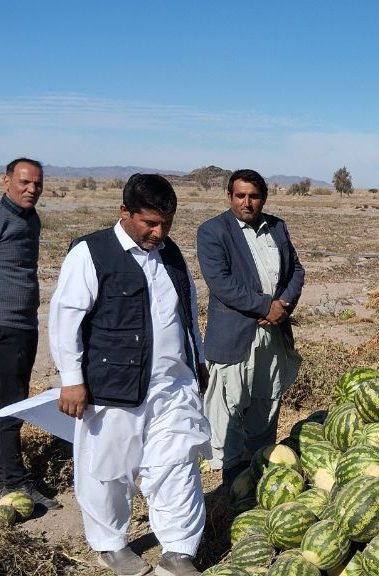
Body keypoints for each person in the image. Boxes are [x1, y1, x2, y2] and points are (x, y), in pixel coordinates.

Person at [49, 174, 209, 576]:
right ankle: (109, 545)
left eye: (166, 224)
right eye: (150, 224)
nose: (159, 233)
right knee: (108, 471)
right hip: (113, 387)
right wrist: (71, 378)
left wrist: (198, 359)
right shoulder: (91, 252)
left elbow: (186, 312)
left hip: (172, 386)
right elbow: (66, 317)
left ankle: (177, 550)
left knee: (177, 464)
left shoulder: (170, 254)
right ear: (125, 212)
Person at [197, 169, 305, 486]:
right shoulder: (213, 231)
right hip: (235, 335)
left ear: (264, 198)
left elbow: (296, 270)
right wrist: (263, 306)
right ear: (230, 196)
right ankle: (230, 476)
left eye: (254, 196)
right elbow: (221, 282)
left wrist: (282, 305)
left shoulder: (277, 227)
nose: (247, 202)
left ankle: (258, 466)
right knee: (227, 406)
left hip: (273, 331)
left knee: (266, 401)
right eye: (240, 195)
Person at [0, 158, 59, 511]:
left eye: (37, 184)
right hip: (5, 326)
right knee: (10, 407)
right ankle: (13, 482)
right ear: (5, 180)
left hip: (22, 326)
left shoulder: (31, 219)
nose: (31, 189)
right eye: (24, 182)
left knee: (12, 404)